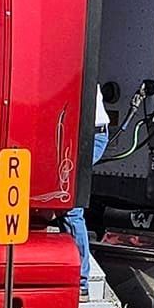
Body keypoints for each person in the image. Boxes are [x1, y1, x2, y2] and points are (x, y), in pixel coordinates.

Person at [62, 88, 110, 296]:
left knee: (71, 206)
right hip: (76, 133)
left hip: (90, 137)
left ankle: (80, 281)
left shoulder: (72, 66)